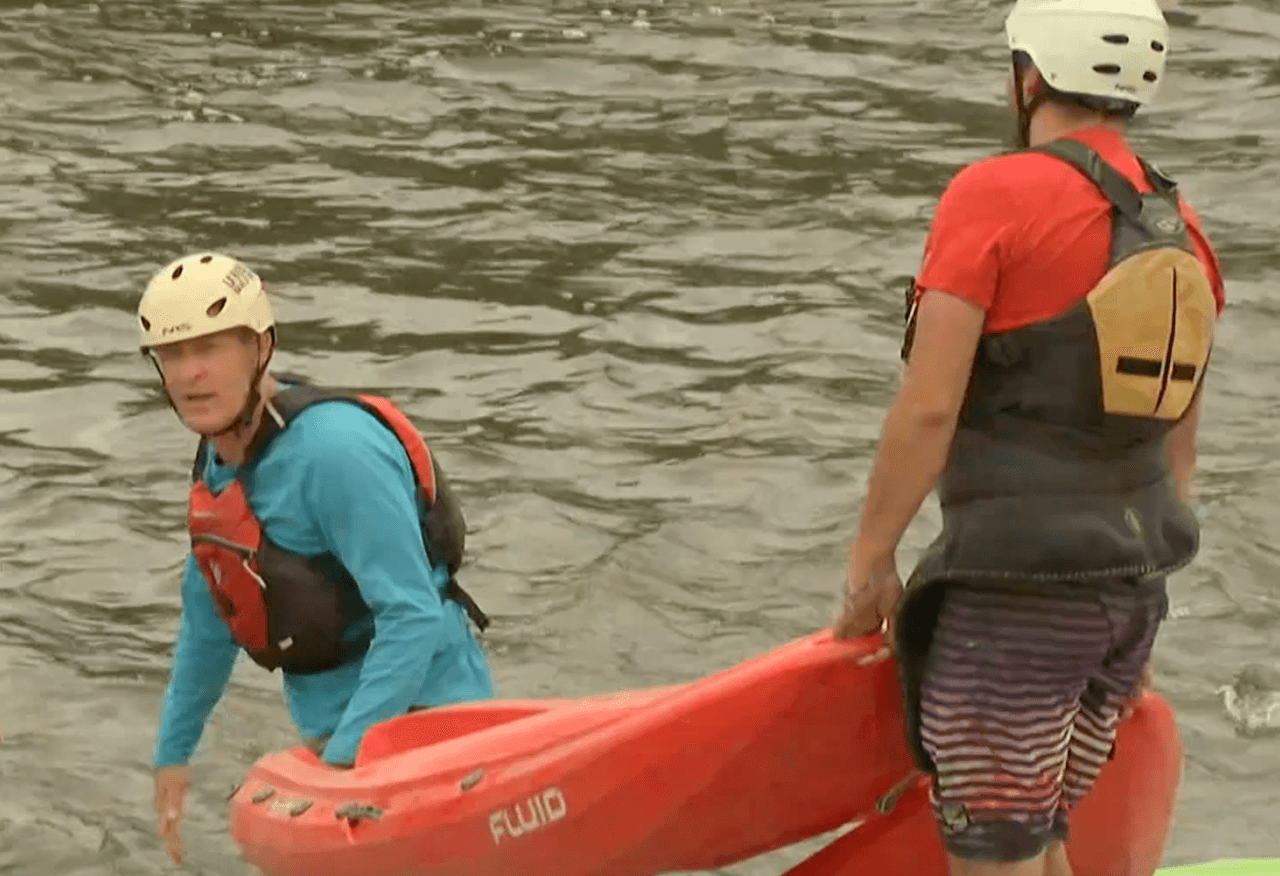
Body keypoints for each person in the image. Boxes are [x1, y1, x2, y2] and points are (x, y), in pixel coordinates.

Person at [832, 1, 1225, 875]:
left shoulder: (995, 195)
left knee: (994, 852)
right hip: (1129, 597)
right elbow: (1178, 457)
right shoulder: (1183, 229)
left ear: (1029, 76)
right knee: (1040, 835)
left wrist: (871, 564)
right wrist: (1136, 624)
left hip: (1017, 598)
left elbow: (929, 409)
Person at [138, 252, 496, 864]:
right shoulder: (218, 458)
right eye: (172, 355)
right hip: (335, 744)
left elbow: (410, 614)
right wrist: (173, 754)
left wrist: (341, 768)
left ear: (261, 348)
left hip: (434, 722)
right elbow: (209, 621)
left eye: (212, 349)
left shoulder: (335, 452)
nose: (191, 373)